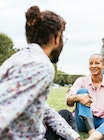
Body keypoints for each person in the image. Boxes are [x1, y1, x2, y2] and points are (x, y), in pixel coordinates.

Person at [0, 6, 80, 140]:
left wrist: (74, 136)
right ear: (56, 37)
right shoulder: (41, 66)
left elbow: (45, 111)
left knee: (64, 115)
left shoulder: (17, 59)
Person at [66, 54, 104, 140]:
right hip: (81, 121)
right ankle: (93, 134)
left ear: (103, 65)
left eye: (97, 63)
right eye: (91, 63)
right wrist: (78, 97)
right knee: (82, 92)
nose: (93, 66)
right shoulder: (81, 81)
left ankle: (94, 137)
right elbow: (69, 99)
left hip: (101, 121)